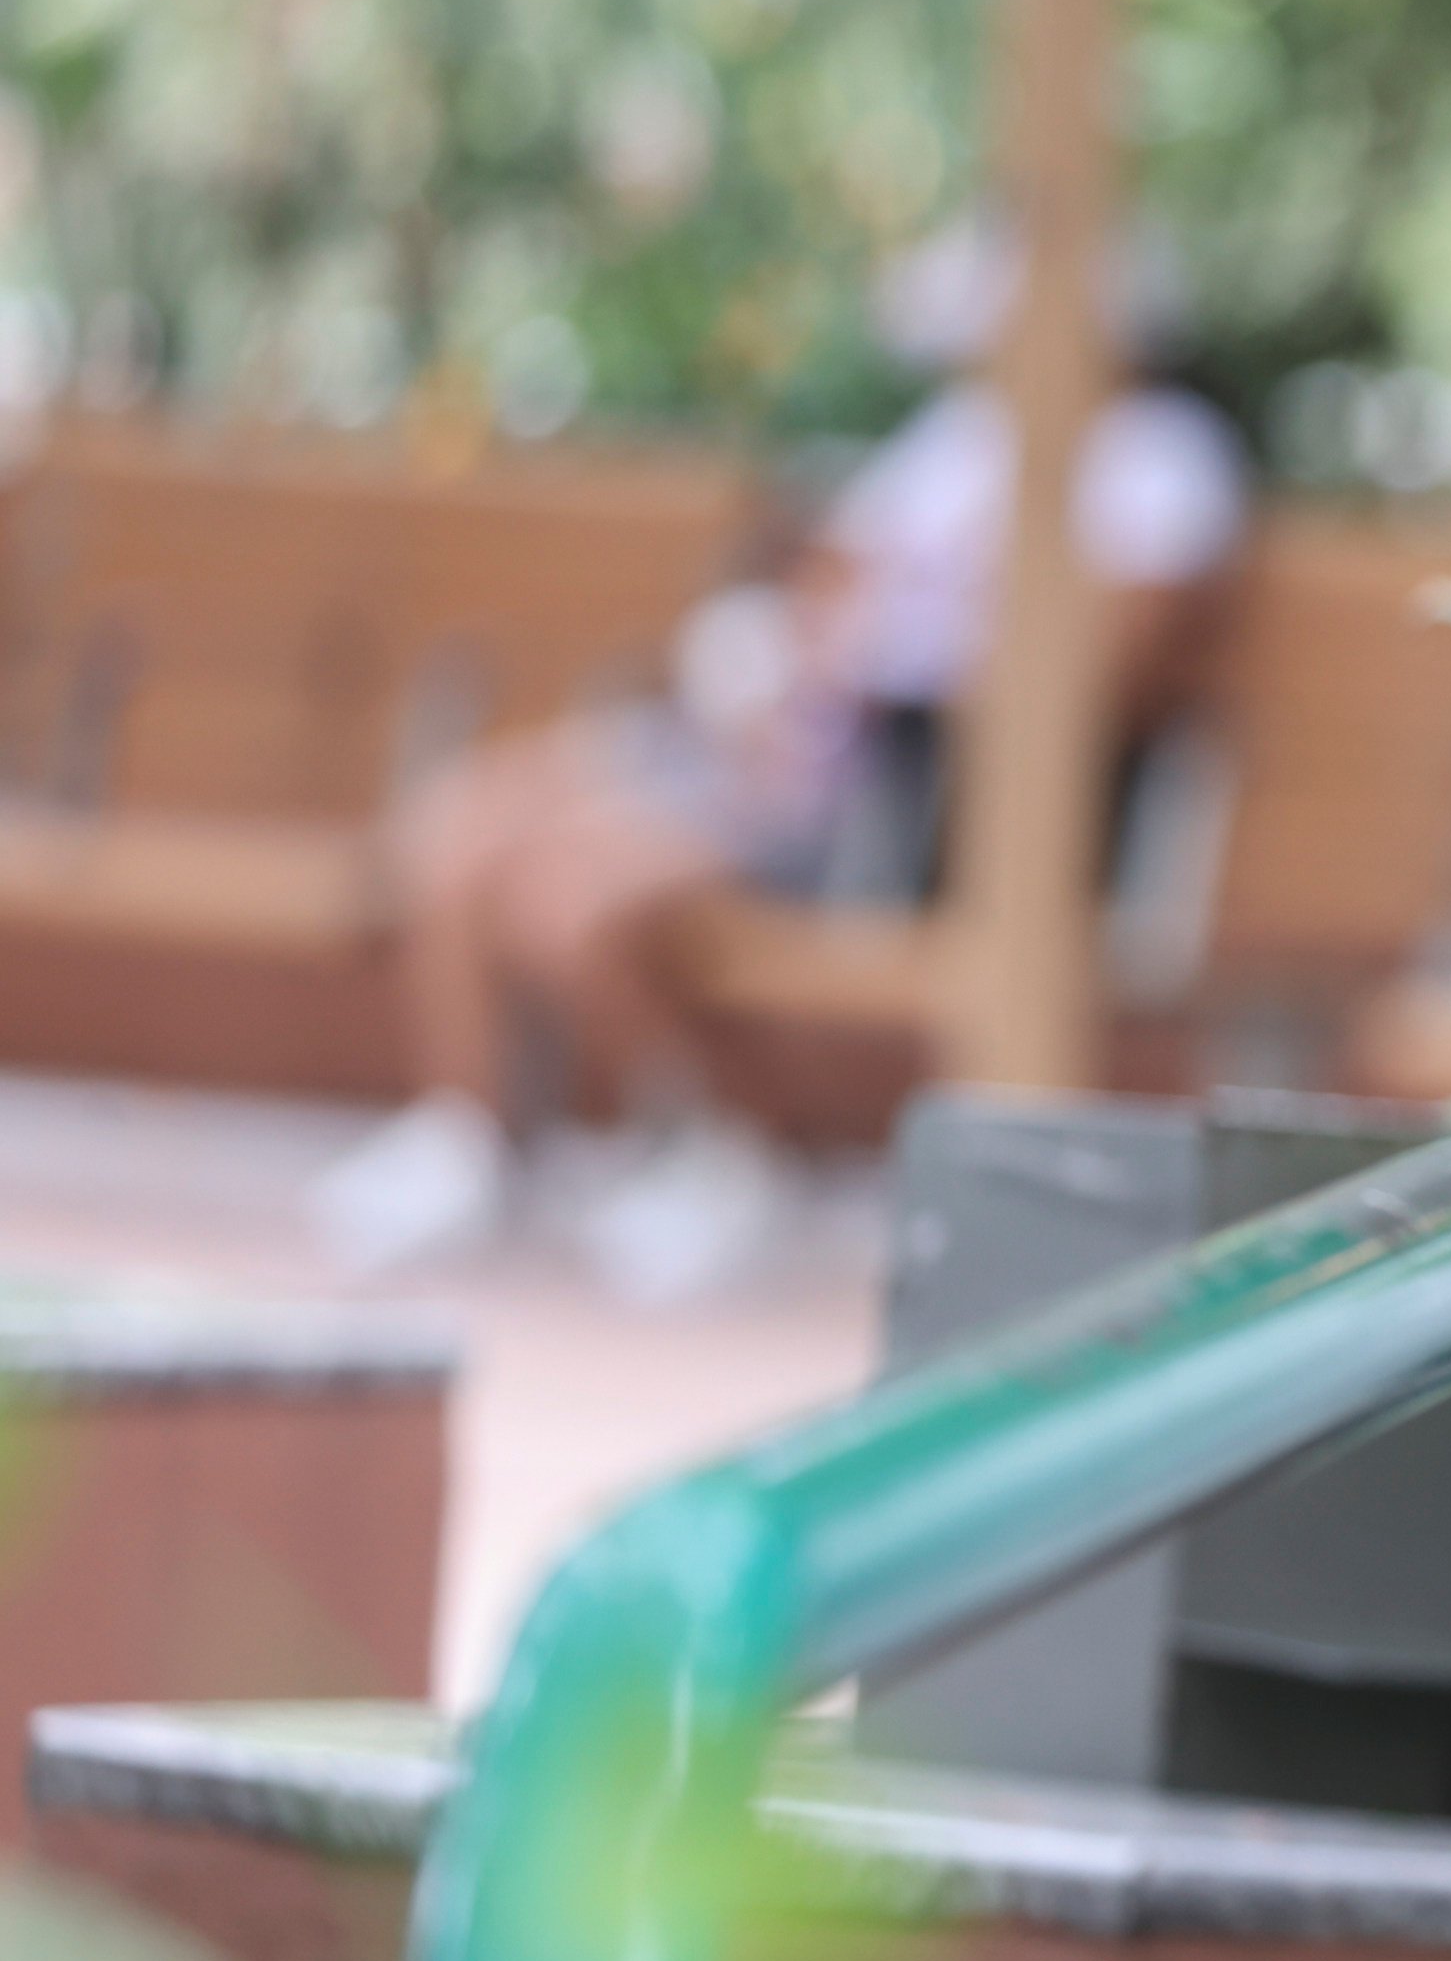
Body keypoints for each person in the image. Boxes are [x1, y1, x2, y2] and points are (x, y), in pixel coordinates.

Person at [316, 224, 1251, 1288]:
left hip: (897, 798)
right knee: (459, 828)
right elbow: (826, 596)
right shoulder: (959, 441)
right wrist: (785, 662)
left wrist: (901, 662)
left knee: (567, 897)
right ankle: (469, 1139)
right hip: (780, 748)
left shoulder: (1164, 463)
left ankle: (742, 1150)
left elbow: (1104, 677)